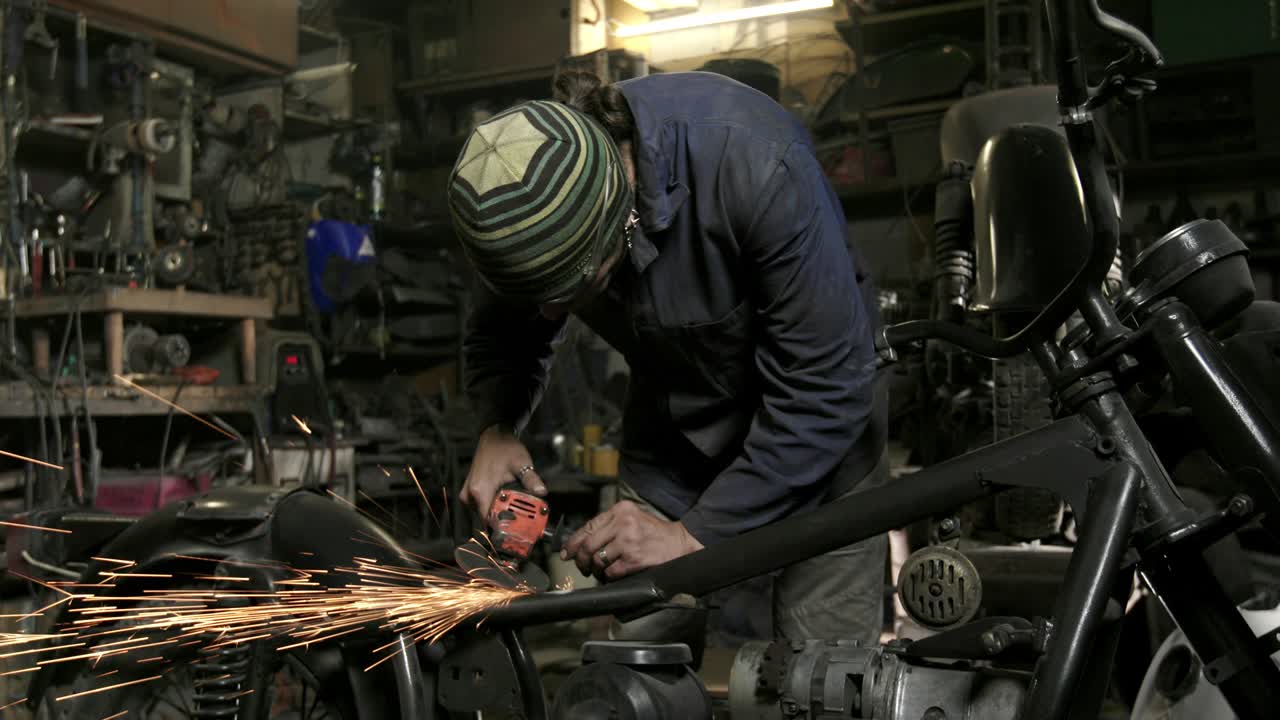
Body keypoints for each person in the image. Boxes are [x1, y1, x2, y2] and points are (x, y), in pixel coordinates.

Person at [447, 68, 889, 644]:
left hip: (822, 445)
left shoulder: (755, 164)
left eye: (571, 297)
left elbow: (827, 388)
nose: (552, 319)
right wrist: (496, 427)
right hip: (675, 451)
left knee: (824, 685)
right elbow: (502, 332)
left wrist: (691, 537)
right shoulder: (514, 201)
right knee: (628, 676)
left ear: (622, 223)